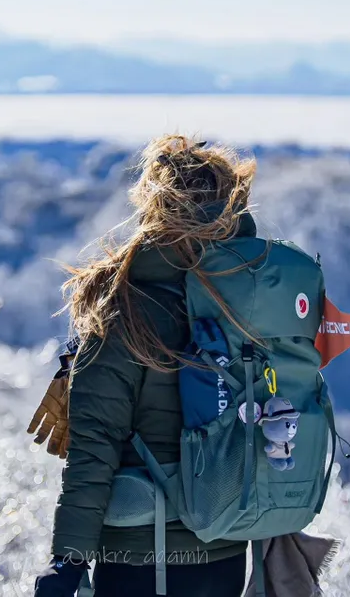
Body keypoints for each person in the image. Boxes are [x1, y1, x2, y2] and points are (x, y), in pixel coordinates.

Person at [34, 134, 260, 597]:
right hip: (228, 550)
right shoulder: (252, 303)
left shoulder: (127, 313)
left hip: (142, 557)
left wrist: (67, 563)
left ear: (155, 208)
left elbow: (94, 451)